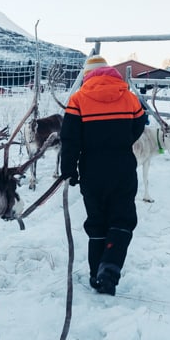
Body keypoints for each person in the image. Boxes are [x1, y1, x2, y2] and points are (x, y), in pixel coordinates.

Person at [60, 54, 147, 296]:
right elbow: (139, 125)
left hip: (92, 170)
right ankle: (109, 268)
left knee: (97, 221)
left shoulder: (78, 100)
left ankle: (95, 273)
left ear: (87, 75)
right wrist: (122, 141)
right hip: (122, 168)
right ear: (109, 72)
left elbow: (69, 139)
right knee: (122, 220)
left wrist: (69, 169)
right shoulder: (129, 97)